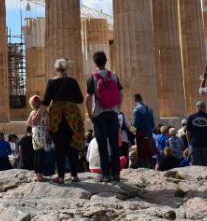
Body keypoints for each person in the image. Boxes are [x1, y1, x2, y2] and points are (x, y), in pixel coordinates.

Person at [36, 58, 85, 184]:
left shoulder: (51, 83)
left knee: (60, 149)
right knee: (73, 147)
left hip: (56, 119)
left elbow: (46, 102)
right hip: (72, 118)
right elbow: (79, 100)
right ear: (67, 69)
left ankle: (61, 177)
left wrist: (37, 116)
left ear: (56, 69)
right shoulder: (73, 82)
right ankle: (74, 176)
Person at [85, 51, 124, 183]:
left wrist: (90, 114)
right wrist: (117, 110)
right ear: (106, 61)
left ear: (95, 62)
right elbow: (121, 95)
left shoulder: (92, 78)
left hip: (99, 115)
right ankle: (116, 174)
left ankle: (106, 174)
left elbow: (89, 98)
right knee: (114, 144)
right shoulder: (113, 75)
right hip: (113, 114)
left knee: (102, 145)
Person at [186, 101, 207, 167]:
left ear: (197, 108)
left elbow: (188, 132)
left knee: (193, 165)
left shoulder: (190, 117)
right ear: (204, 108)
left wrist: (189, 142)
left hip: (194, 143)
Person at [27, 95, 50, 182]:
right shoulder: (46, 112)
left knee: (36, 155)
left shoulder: (33, 113)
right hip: (43, 133)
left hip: (35, 133)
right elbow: (49, 126)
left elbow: (28, 123)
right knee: (41, 155)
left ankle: (36, 175)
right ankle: (40, 175)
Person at [132, 93, 156, 169]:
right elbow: (152, 124)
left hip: (141, 135)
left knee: (143, 155)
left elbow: (136, 123)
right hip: (149, 134)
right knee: (150, 154)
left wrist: (132, 123)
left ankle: (146, 170)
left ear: (134, 101)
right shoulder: (149, 108)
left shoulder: (136, 109)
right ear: (141, 100)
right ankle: (152, 168)